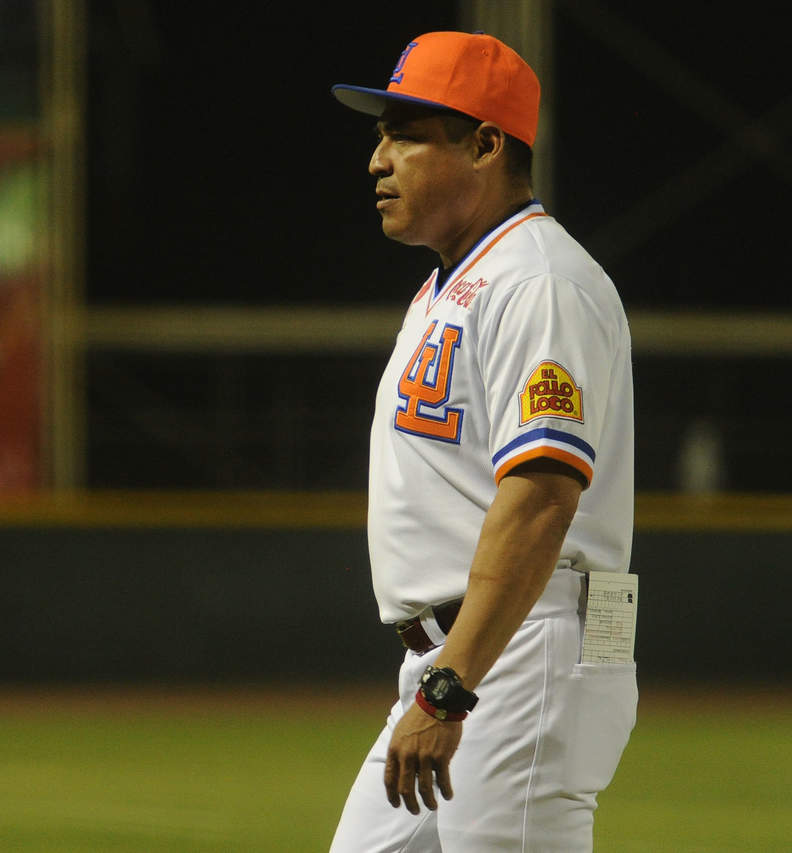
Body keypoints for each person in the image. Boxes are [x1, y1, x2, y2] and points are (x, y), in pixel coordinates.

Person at [326, 31, 638, 851]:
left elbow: (539, 498)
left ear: (486, 144)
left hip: (520, 653)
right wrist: (441, 681)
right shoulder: (458, 281)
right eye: (381, 136)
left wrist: (449, 689)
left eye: (406, 135)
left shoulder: (540, 282)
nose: (378, 160)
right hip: (465, 658)